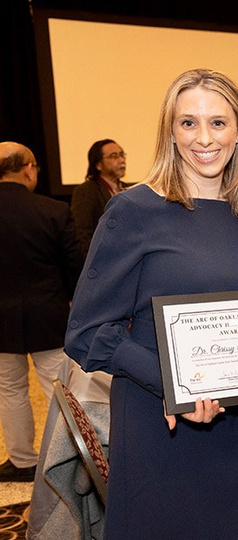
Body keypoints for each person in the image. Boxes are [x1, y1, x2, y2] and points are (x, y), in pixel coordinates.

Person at [65, 69, 238, 539]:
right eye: (188, 123)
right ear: (170, 131)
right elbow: (86, 331)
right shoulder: (135, 211)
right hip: (162, 422)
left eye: (218, 123)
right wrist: (172, 384)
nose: (204, 139)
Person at [0, 142, 82, 482]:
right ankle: (66, 462)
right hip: (48, 314)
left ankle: (21, 461)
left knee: (9, 389)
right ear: (28, 169)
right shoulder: (53, 210)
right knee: (58, 388)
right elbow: (75, 267)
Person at [71, 139, 130, 256]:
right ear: (98, 165)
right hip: (104, 259)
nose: (121, 160)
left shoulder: (130, 190)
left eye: (122, 155)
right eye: (114, 156)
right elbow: (82, 233)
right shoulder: (86, 191)